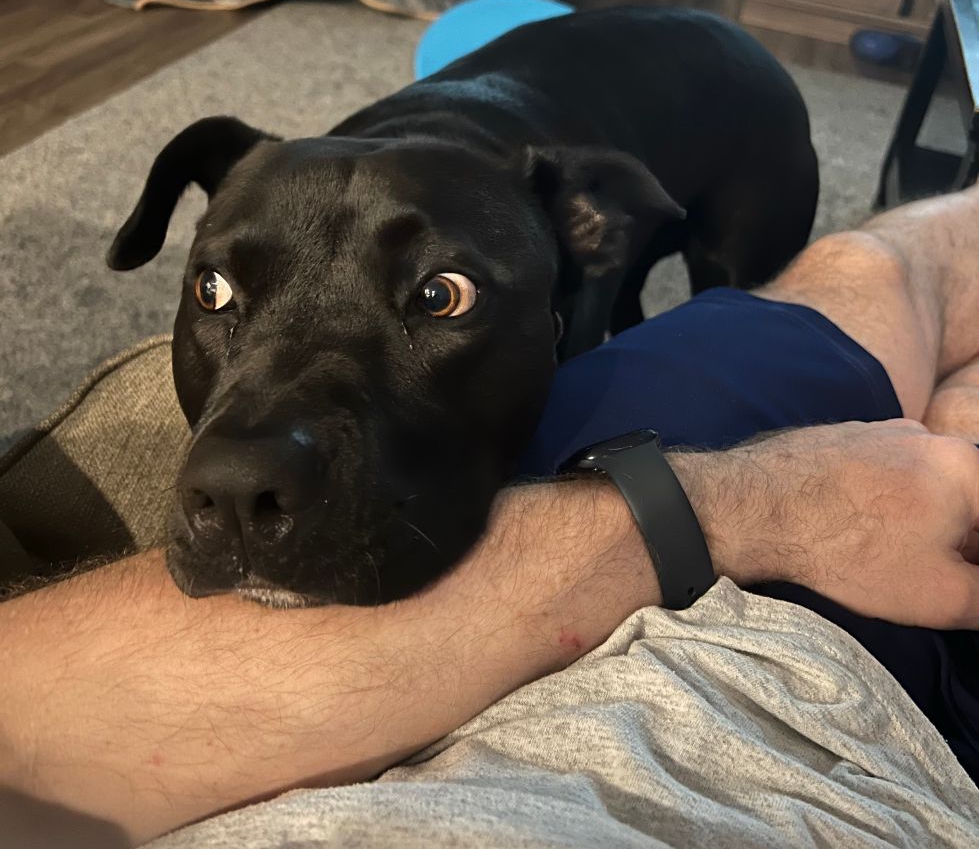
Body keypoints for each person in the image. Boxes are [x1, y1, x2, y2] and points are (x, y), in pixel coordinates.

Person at [3, 186, 979, 848]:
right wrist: (772, 503)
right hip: (850, 737)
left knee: (878, 271)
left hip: (602, 512)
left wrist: (742, 502)